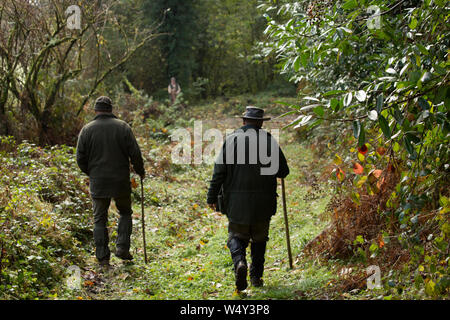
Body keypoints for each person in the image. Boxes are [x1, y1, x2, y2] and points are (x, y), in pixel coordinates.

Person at [206, 106, 290, 291]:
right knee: (260, 239)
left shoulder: (231, 140)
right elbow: (283, 171)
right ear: (260, 123)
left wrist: (211, 196)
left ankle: (239, 263)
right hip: (264, 202)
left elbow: (219, 172)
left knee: (236, 235)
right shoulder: (269, 141)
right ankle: (256, 277)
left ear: (243, 121)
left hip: (236, 203)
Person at [76, 96, 145, 267]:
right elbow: (135, 153)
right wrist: (140, 171)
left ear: (96, 110)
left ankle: (102, 257)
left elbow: (80, 158)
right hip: (120, 180)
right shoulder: (123, 127)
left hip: (98, 182)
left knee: (99, 218)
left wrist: (92, 173)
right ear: (111, 109)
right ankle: (122, 248)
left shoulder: (86, 130)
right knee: (125, 212)